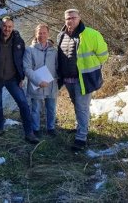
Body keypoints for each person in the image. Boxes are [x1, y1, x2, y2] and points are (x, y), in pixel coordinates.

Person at [57, 9, 108, 151]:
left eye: (73, 17)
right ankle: (81, 126)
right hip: (68, 79)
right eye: (68, 18)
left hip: (84, 78)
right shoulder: (61, 35)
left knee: (82, 107)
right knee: (76, 104)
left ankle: (81, 138)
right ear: (65, 19)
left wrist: (94, 67)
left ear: (79, 18)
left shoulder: (91, 34)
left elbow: (103, 55)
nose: (70, 20)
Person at [0, 16, 39, 144]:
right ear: (1, 26)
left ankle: (29, 132)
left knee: (23, 104)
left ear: (13, 27)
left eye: (10, 27)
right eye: (5, 26)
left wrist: (21, 77)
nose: (7, 29)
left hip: (12, 79)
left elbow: (21, 61)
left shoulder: (18, 41)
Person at [23, 24, 59, 138]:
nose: (42, 35)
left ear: (48, 34)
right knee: (35, 109)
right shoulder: (29, 50)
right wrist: (38, 81)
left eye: (44, 33)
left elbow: (58, 67)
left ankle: (51, 128)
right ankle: (36, 129)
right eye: (39, 33)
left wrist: (58, 79)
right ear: (35, 34)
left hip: (51, 85)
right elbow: (26, 68)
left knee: (51, 108)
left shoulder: (54, 50)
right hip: (36, 84)